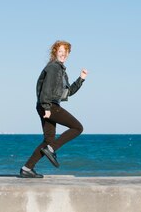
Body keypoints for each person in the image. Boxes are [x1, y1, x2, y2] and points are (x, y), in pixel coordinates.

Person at [20, 40, 88, 178]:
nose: (63, 54)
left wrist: (81, 79)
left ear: (68, 54)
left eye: (66, 52)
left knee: (48, 140)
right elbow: (46, 89)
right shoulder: (53, 68)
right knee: (77, 127)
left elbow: (68, 92)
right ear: (55, 52)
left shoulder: (61, 70)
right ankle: (51, 149)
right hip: (49, 105)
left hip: (47, 105)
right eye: (60, 51)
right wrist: (46, 107)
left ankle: (27, 168)